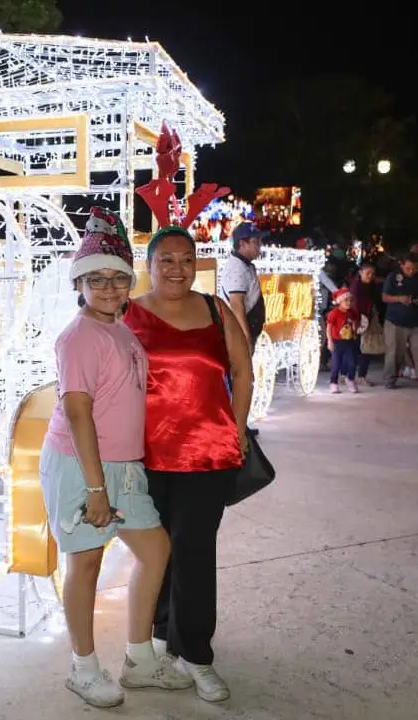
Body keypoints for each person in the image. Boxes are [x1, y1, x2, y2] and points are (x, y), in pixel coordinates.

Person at [41, 208, 192, 708]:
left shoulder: (119, 329)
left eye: (117, 278)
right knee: (84, 564)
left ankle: (138, 660)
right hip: (84, 467)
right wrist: (95, 487)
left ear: (129, 281)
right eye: (96, 279)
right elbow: (79, 414)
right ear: (79, 283)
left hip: (124, 468)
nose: (108, 287)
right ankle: (82, 668)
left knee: (155, 551)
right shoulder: (79, 335)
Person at [123, 226, 252, 703]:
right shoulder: (128, 312)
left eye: (186, 259)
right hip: (144, 457)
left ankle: (195, 654)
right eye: (167, 260)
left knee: (194, 556)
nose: (178, 268)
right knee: (157, 554)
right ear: (150, 265)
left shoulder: (215, 310)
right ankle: (160, 636)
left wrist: (237, 427)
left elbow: (242, 369)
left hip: (207, 455)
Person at [381, 253, 418, 390]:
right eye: (408, 268)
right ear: (402, 265)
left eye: (414, 268)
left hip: (417, 322)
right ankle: (390, 380)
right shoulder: (393, 277)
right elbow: (385, 297)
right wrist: (400, 299)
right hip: (395, 321)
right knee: (394, 353)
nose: (411, 271)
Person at [219, 221, 268, 354]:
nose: (259, 246)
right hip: (237, 336)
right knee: (240, 373)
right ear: (242, 243)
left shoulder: (245, 265)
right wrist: (246, 338)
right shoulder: (237, 268)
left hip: (241, 333)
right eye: (255, 242)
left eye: (259, 241)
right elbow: (237, 305)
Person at [350, 260, 382, 385]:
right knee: (354, 349)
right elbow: (354, 305)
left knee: (367, 349)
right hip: (356, 321)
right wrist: (355, 321)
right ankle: (349, 375)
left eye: (372, 273)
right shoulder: (356, 287)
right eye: (368, 273)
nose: (370, 276)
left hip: (369, 320)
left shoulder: (372, 285)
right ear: (360, 273)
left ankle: (362, 375)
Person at [326, 287, 362, 394]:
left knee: (352, 363)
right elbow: (329, 327)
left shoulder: (352, 312)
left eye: (350, 300)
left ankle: (350, 379)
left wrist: (356, 329)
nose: (349, 303)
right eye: (346, 300)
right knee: (336, 364)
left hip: (349, 342)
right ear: (339, 301)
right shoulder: (334, 313)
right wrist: (330, 341)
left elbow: (356, 321)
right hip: (337, 342)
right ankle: (333, 383)